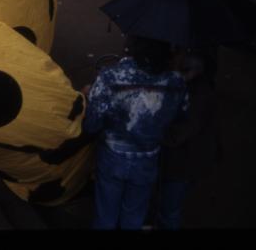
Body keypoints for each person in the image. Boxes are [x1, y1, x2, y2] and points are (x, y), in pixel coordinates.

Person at [82, 36, 188, 229]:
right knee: (134, 217)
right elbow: (180, 117)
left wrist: (91, 97)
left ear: (131, 47)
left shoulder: (110, 76)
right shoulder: (176, 81)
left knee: (105, 215)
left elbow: (92, 124)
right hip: (147, 160)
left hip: (112, 157)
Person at [155, 51, 220, 229]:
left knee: (169, 211)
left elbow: (177, 135)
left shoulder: (198, 98)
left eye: (182, 70)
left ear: (195, 71)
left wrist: (150, 129)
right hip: (190, 161)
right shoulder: (202, 90)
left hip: (184, 165)